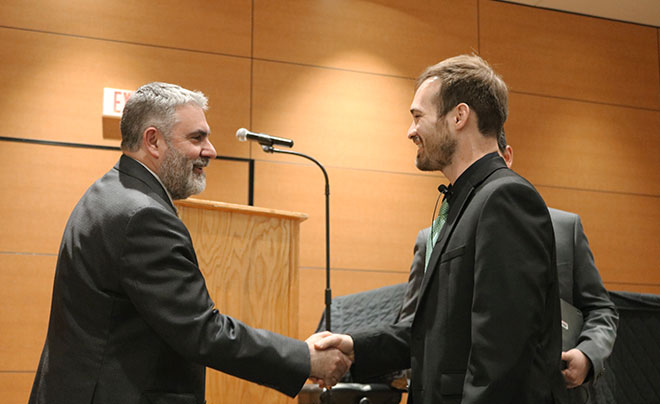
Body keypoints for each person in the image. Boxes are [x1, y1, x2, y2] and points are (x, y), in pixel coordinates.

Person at [29, 82, 349, 404]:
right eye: (197, 138)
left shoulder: (111, 193)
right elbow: (202, 332)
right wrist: (304, 358)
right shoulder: (143, 215)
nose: (210, 150)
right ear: (153, 140)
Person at [316, 55, 567, 403]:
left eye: (418, 116)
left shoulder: (505, 199)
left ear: (459, 117)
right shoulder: (465, 203)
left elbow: (502, 360)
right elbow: (434, 335)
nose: (411, 130)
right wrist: (355, 347)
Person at [398, 130, 618, 403]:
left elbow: (601, 308)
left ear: (507, 157)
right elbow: (414, 325)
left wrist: (588, 355)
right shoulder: (432, 236)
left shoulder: (565, 228)